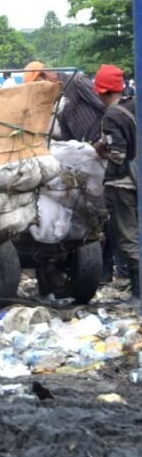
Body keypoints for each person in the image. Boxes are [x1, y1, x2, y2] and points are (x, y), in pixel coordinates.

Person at [92, 64, 139, 304]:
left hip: (122, 184)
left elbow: (118, 153)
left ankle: (138, 294)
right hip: (137, 180)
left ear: (102, 91)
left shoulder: (111, 115)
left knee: (127, 237)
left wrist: (101, 149)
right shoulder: (134, 104)